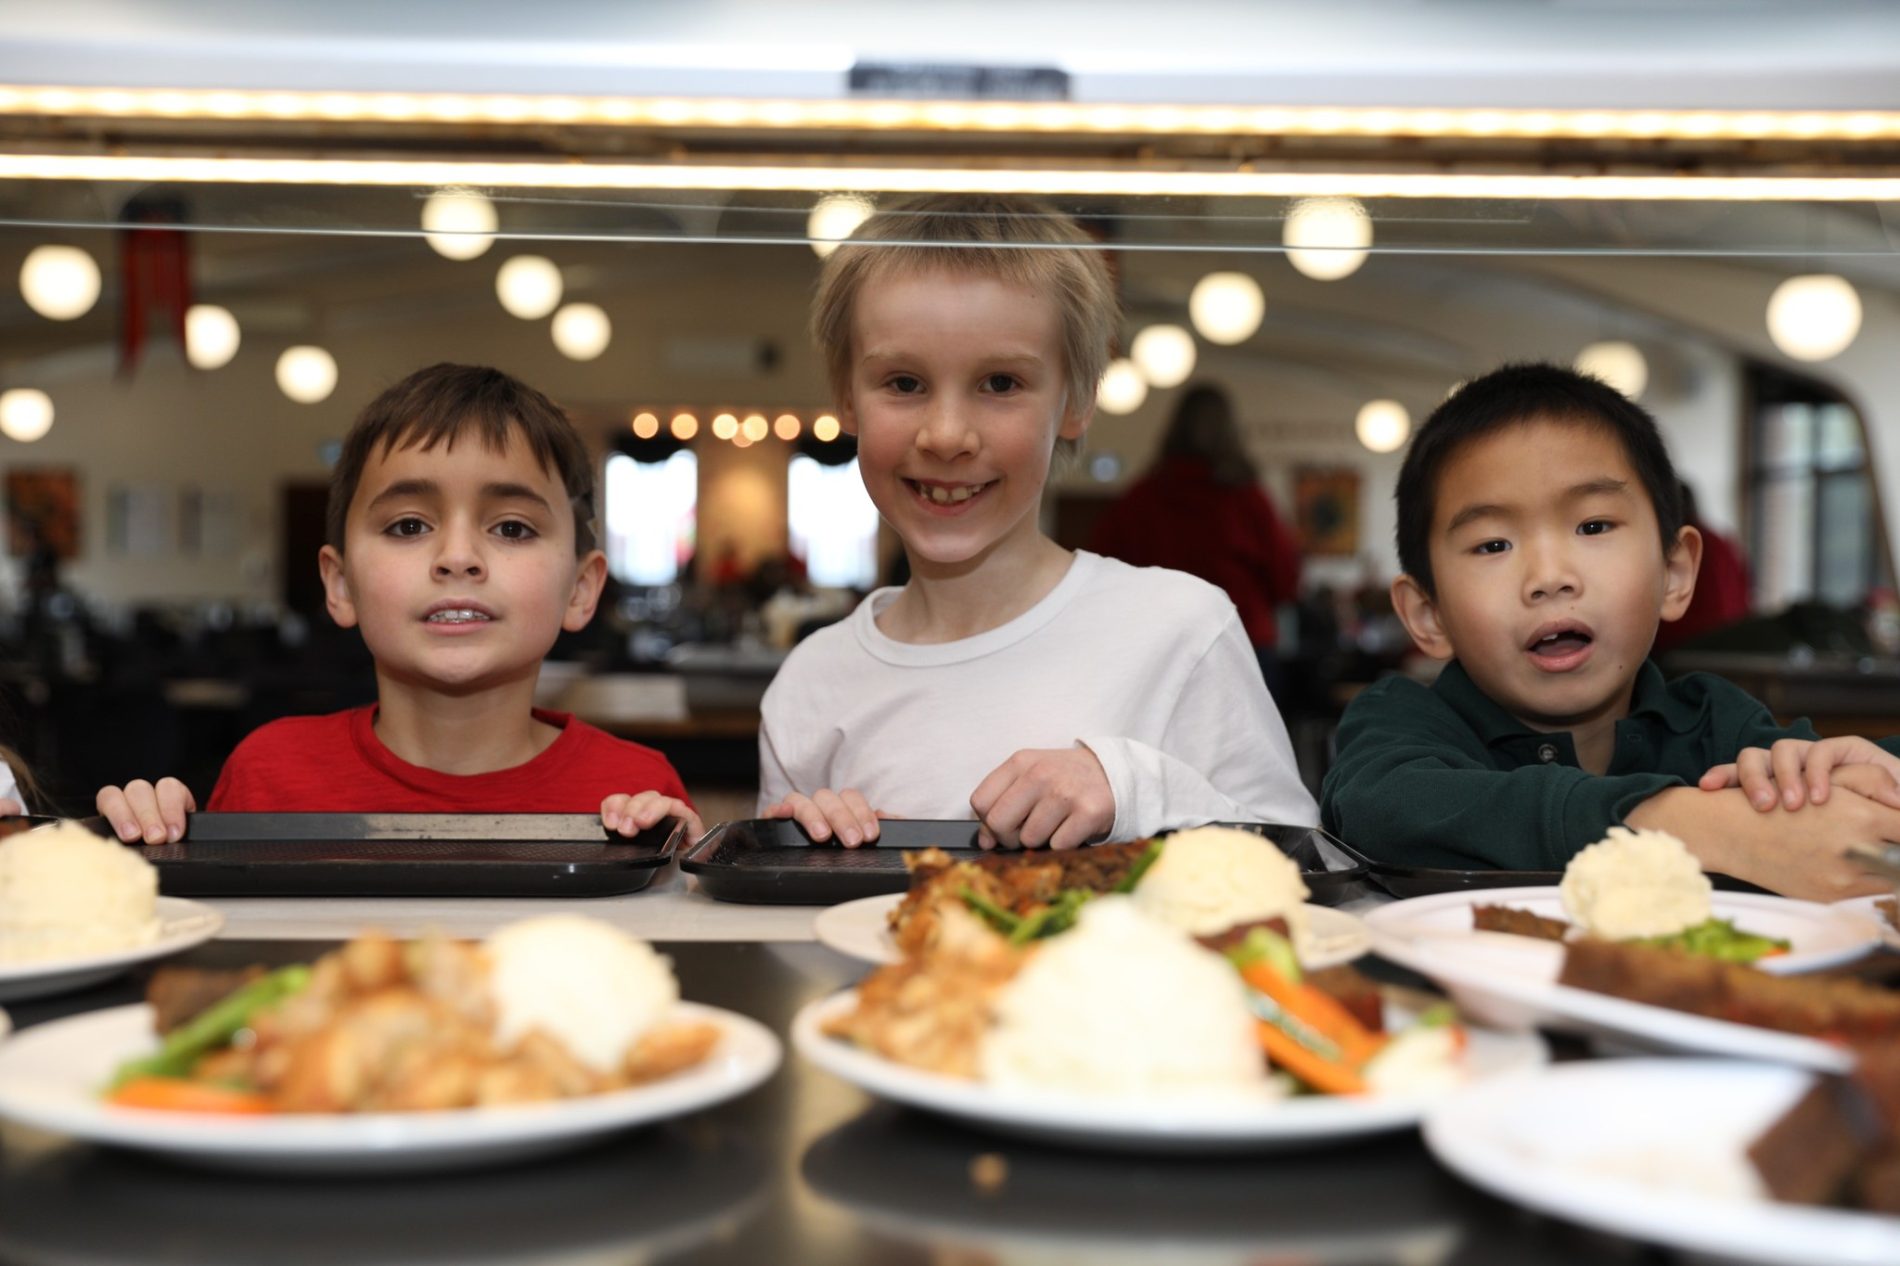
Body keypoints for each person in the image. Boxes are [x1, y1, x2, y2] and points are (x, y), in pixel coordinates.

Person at [759, 194, 1315, 850]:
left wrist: (1131, 788)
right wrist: (805, 847)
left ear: (1077, 401)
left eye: (1000, 384)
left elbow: (1295, 864)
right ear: (847, 399)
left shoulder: (1181, 630)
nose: (946, 435)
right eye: (905, 384)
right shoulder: (811, 683)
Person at [1320, 362, 1896, 901]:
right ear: (1428, 615)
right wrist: (1692, 827)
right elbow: (1382, 810)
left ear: (1673, 574)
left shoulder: (1718, 723)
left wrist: (1863, 780)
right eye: (1494, 544)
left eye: (1593, 525)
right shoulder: (1402, 721)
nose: (1549, 578)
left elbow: (1832, 813)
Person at [97, 364, 697, 844]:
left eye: (512, 529)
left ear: (580, 589)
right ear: (340, 585)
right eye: (409, 526)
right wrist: (155, 844)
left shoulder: (637, 790)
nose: (458, 557)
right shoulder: (270, 772)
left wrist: (688, 883)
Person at [1089, 383, 1302, 692]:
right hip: (1242, 640)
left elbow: (1102, 570)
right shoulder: (1248, 499)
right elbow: (1285, 579)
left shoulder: (1141, 498)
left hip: (1158, 643)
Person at [1651, 479, 1750, 654]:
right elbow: (1746, 586)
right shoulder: (1721, 540)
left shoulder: (1674, 547)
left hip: (1691, 642)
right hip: (1734, 636)